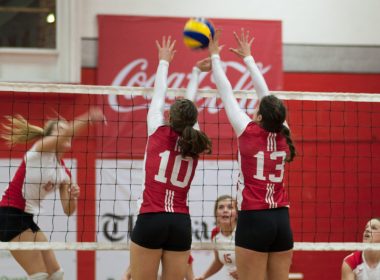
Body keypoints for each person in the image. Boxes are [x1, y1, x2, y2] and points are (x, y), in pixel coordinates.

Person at [208, 29, 296, 280]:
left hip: (254, 218)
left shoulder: (247, 131)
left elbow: (226, 92)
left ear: (259, 116)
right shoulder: (284, 133)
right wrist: (248, 58)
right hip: (281, 218)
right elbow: (266, 94)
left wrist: (215, 57)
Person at [129, 36, 212, 280]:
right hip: (180, 223)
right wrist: (196, 73)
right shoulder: (195, 139)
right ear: (192, 120)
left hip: (151, 218)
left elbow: (159, 91)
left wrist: (164, 61)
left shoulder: (156, 129)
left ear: (169, 115)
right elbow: (191, 105)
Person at [0, 108, 105, 280]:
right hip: (9, 214)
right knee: (40, 275)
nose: (66, 132)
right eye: (60, 129)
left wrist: (73, 195)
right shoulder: (39, 151)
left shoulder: (64, 173)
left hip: (26, 217)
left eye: (66, 128)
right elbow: (66, 134)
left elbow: (69, 210)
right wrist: (88, 118)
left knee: (56, 274)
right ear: (50, 137)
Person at [195, 195, 238, 280]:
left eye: (230, 207)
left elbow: (261, 259)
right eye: (221, 207)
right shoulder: (215, 233)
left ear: (237, 214)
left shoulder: (244, 231)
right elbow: (218, 261)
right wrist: (203, 276)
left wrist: (244, 270)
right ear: (216, 213)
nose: (225, 210)